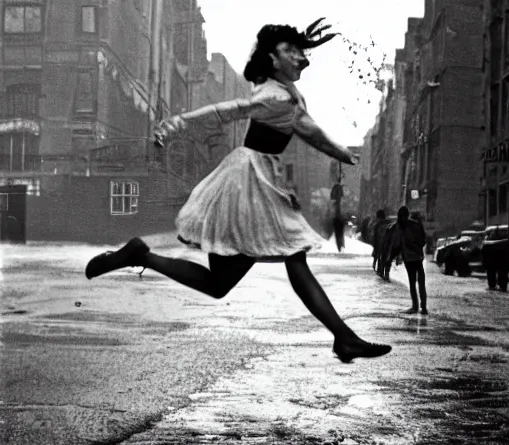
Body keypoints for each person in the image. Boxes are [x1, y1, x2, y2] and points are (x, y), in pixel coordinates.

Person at [82, 20, 389, 366]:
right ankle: (344, 338)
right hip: (248, 184)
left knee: (220, 283)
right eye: (291, 51)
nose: (301, 57)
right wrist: (175, 125)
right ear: (273, 59)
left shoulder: (285, 94)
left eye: (300, 51)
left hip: (254, 180)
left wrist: (343, 154)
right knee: (291, 257)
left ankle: (141, 255)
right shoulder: (274, 95)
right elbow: (227, 111)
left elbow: (309, 131)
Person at [388, 206, 428, 315]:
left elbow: (422, 240)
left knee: (417, 282)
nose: (402, 218)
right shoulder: (406, 226)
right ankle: (419, 306)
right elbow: (397, 244)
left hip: (414, 257)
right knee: (416, 282)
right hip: (412, 257)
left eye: (403, 216)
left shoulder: (405, 226)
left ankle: (419, 307)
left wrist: (413, 245)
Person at [329, 166, 346, 251]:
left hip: (338, 214)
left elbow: (332, 197)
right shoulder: (338, 188)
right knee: (339, 230)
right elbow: (336, 198)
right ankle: (340, 244)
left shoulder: (337, 187)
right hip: (338, 213)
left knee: (338, 230)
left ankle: (340, 244)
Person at [371, 209, 390, 277]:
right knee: (387, 257)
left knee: (380, 256)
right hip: (388, 243)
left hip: (380, 244)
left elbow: (374, 237)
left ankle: (380, 270)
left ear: (378, 217)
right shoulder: (389, 223)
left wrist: (374, 262)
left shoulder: (377, 225)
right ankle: (387, 272)